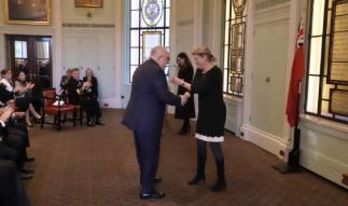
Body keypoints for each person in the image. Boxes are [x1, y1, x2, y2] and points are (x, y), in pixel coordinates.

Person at [122, 46, 191, 199]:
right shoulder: (156, 71)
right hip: (148, 121)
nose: (167, 63)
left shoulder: (142, 68)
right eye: (167, 59)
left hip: (138, 119)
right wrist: (181, 100)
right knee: (150, 155)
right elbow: (164, 95)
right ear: (160, 57)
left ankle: (146, 179)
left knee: (143, 153)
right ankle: (147, 190)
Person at [171, 46, 227, 192]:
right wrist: (184, 96)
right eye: (194, 59)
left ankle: (222, 179)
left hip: (215, 113)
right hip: (204, 112)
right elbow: (194, 88)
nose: (196, 62)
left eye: (197, 59)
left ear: (205, 57)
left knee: (214, 146)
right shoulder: (199, 71)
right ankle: (200, 175)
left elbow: (199, 88)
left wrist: (180, 82)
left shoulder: (216, 72)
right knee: (200, 143)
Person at [174, 52, 195, 135]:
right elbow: (180, 78)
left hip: (186, 89)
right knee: (184, 108)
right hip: (182, 89)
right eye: (178, 60)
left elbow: (187, 79)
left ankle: (185, 128)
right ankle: (187, 125)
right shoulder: (182, 67)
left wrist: (180, 80)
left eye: (180, 60)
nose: (179, 62)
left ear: (184, 59)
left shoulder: (189, 67)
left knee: (186, 109)